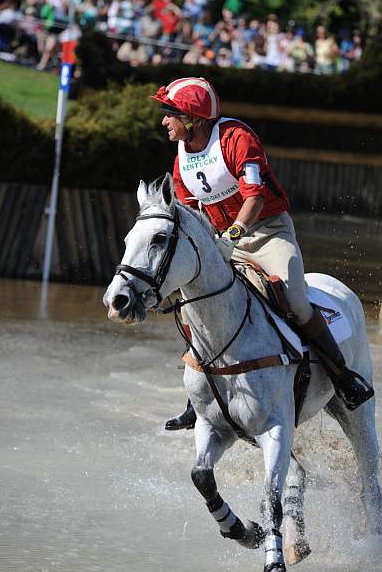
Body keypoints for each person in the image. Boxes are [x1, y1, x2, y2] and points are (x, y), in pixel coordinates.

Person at [151, 76, 373, 430]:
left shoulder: (236, 138)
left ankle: (343, 377)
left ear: (192, 118)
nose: (164, 121)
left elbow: (254, 197)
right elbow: (192, 212)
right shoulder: (181, 159)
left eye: (170, 113)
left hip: (268, 232)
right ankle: (199, 398)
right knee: (197, 302)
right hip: (223, 239)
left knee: (295, 301)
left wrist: (231, 236)